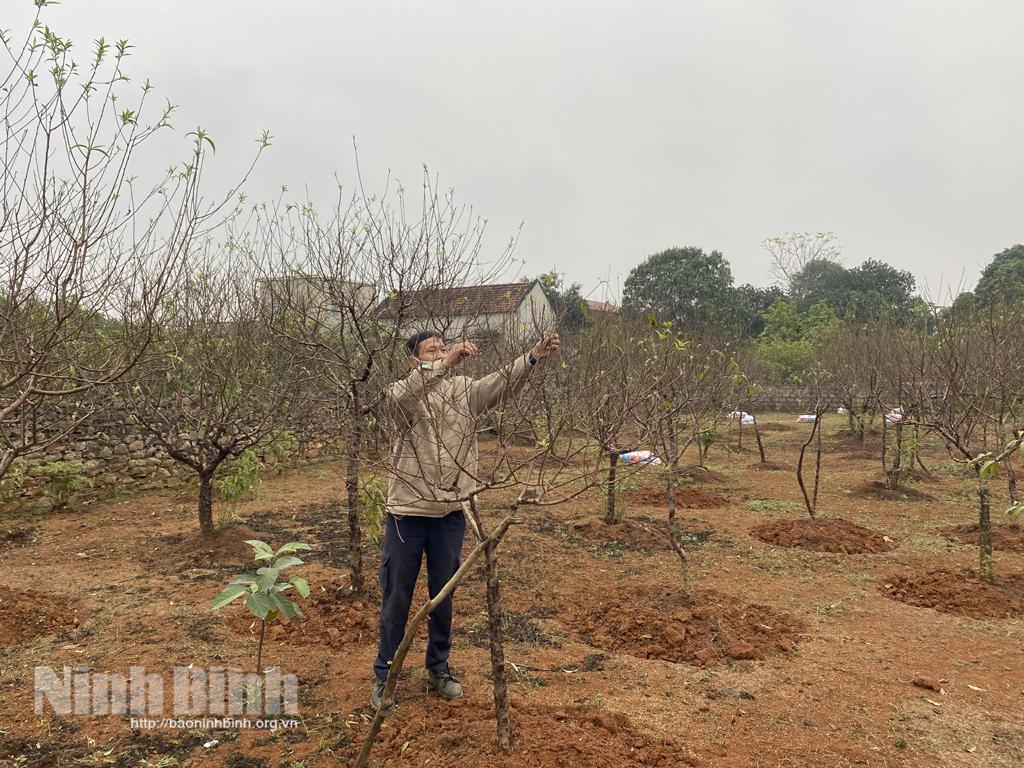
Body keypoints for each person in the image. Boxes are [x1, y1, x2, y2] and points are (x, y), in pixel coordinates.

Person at [371, 329, 561, 710]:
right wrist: (443, 365)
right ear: (414, 361)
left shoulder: (464, 391)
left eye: (444, 347)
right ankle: (385, 675)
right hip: (407, 514)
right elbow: (396, 400)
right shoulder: (405, 393)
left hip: (450, 512)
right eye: (432, 350)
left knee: (444, 595)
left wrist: (533, 357)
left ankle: (438, 668)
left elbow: (501, 384)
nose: (443, 353)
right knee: (397, 597)